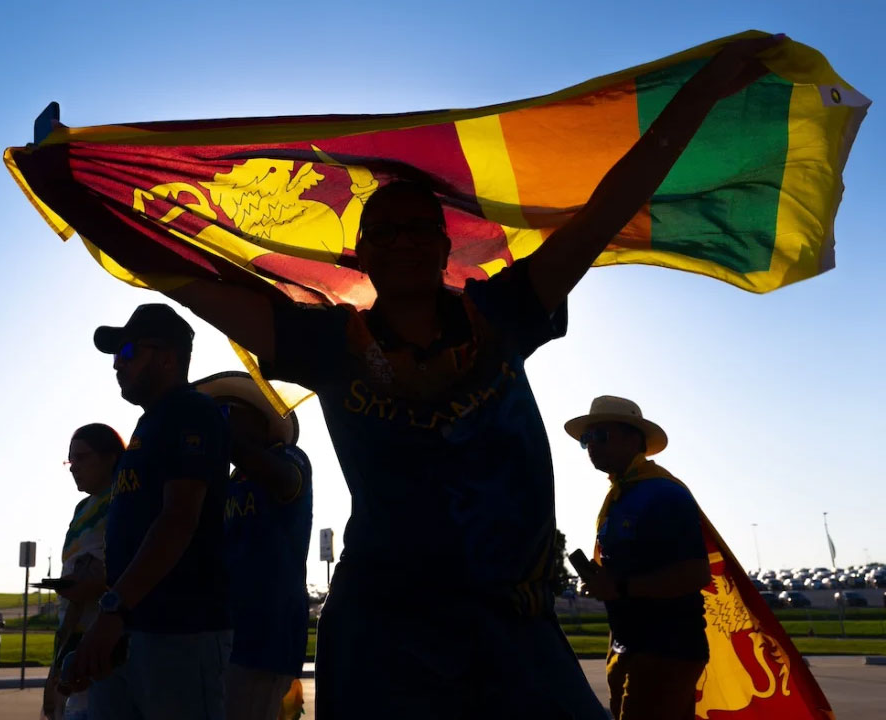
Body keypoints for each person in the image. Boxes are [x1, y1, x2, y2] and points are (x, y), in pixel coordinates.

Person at [129, 35, 783, 717]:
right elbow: (189, 281)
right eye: (386, 232)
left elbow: (608, 209)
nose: (405, 242)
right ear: (362, 254)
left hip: (513, 628)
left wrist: (701, 94)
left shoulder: (503, 313)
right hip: (383, 634)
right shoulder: (324, 342)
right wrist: (72, 189)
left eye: (420, 229)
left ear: (446, 249)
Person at [69, 303, 233, 720]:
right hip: (129, 630)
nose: (116, 365)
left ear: (167, 357)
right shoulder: (149, 425)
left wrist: (113, 611)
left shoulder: (190, 412)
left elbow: (178, 519)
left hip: (180, 631)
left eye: (127, 353)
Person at [564, 396, 709, 720]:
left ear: (633, 438)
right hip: (628, 644)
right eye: (587, 439)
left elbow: (696, 574)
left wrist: (622, 588)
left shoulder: (663, 493)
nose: (590, 446)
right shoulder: (621, 495)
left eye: (600, 436)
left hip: (666, 648)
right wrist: (603, 584)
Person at [194, 371, 312, 720]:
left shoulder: (290, 457)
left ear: (260, 421)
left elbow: (285, 480)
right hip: (226, 631)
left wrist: (226, 441)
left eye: (227, 413)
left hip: (266, 632)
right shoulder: (228, 481)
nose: (218, 423)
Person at [43, 423, 124, 720]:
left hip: (107, 643)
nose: (73, 467)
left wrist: (94, 583)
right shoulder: (81, 508)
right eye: (70, 460)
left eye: (81, 457)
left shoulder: (124, 498)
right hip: (73, 634)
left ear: (111, 457)